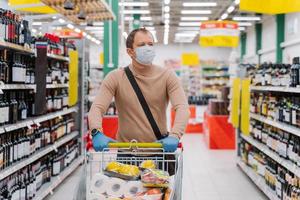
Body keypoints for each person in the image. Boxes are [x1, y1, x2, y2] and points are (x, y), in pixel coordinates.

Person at [88, 27, 190, 153]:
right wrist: (96, 131)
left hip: (158, 152)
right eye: (142, 45)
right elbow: (97, 107)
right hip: (127, 151)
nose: (148, 48)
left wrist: (175, 135)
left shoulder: (167, 76)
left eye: (150, 44)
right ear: (130, 52)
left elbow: (182, 108)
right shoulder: (116, 77)